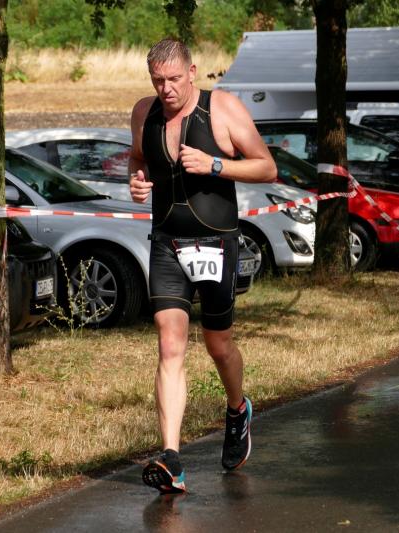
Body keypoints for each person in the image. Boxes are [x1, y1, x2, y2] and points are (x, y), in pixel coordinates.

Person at [129, 37, 277, 494]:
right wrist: (136, 181)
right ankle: (172, 458)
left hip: (216, 243)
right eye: (158, 80)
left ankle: (237, 409)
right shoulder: (144, 112)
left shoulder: (222, 108)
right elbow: (138, 159)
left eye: (174, 79)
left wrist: (215, 165)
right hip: (167, 243)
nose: (166, 89)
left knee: (218, 344)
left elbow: (266, 167)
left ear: (192, 73)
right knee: (169, 345)